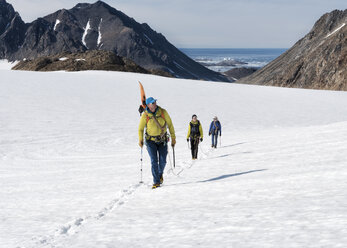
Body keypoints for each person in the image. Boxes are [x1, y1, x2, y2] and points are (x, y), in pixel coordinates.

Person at [138, 97, 176, 189]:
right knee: (154, 161)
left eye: (155, 102)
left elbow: (170, 124)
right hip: (150, 141)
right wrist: (140, 139)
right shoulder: (145, 115)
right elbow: (140, 129)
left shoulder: (163, 112)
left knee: (163, 161)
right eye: (152, 103)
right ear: (148, 105)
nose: (155, 103)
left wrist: (173, 137)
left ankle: (160, 174)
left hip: (162, 140)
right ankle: (156, 181)